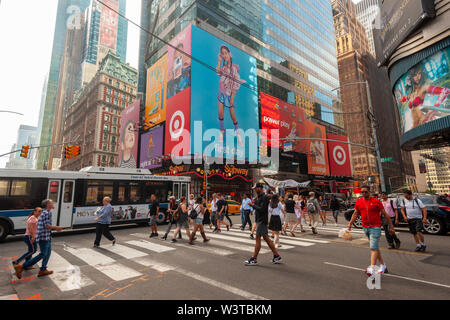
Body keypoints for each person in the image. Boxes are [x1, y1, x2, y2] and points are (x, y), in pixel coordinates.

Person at [347, 186, 396, 276]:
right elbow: (355, 214)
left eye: (365, 192)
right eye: (362, 192)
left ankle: (371, 268)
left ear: (369, 192)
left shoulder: (376, 201)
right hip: (365, 228)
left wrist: (391, 227)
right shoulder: (359, 201)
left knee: (373, 248)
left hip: (375, 227)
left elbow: (385, 214)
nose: (364, 194)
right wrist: (350, 223)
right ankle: (383, 265)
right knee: (375, 247)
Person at [14, 199, 63, 279]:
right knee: (43, 254)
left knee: (48, 253)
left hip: (46, 236)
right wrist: (56, 227)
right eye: (51, 203)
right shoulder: (46, 213)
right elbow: (46, 226)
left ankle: (43, 269)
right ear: (47, 205)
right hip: (43, 237)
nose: (53, 203)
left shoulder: (46, 212)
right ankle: (22, 267)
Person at [244, 183, 282, 266]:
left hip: (262, 221)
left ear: (260, 188)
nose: (254, 190)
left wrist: (252, 205)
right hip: (259, 221)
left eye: (256, 188)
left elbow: (262, 209)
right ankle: (277, 256)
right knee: (267, 239)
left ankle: (254, 258)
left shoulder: (264, 197)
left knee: (258, 239)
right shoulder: (260, 197)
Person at [216, 45, 246, 146]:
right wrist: (219, 61)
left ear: (229, 54)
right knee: (220, 113)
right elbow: (217, 72)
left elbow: (236, 84)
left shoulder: (234, 69)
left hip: (229, 95)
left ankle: (238, 134)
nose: (224, 55)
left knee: (233, 115)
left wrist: (232, 97)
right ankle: (221, 130)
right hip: (221, 92)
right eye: (222, 54)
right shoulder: (224, 67)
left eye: (226, 53)